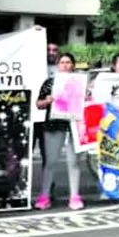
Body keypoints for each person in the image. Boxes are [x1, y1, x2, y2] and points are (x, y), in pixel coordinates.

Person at [34, 52, 83, 211]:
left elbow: (87, 101)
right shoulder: (49, 82)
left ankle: (74, 196)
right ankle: (44, 195)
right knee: (50, 161)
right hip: (54, 124)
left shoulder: (80, 82)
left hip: (74, 125)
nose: (65, 65)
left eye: (68, 62)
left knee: (74, 162)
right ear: (57, 65)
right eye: (62, 62)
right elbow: (38, 103)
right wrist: (47, 100)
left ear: (73, 65)